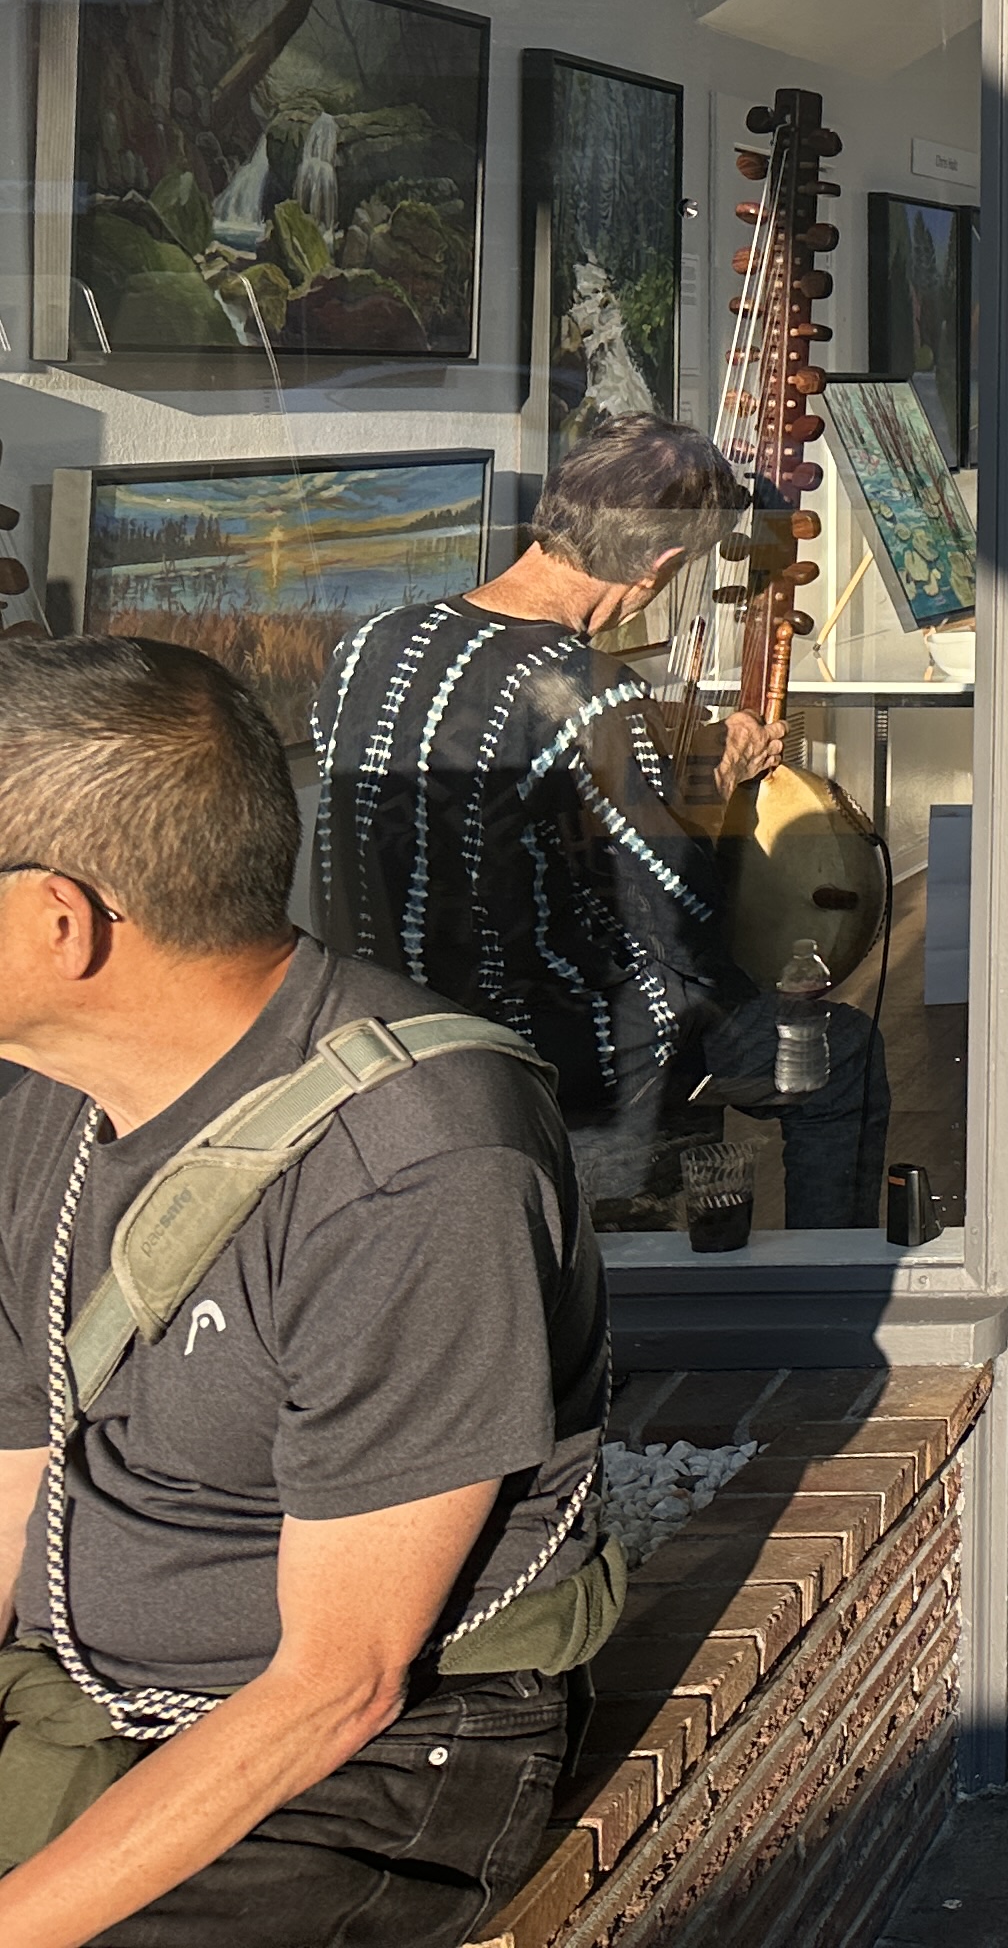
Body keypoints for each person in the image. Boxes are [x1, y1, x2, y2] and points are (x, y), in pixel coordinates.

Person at [0, 637, 612, 1947]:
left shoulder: (417, 1162)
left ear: (61, 919)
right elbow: (8, 1478)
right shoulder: (44, 1107)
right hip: (87, 1708)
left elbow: (338, 1686)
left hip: (359, 1774)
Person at [310, 418, 887, 1226]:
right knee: (838, 1050)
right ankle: (824, 1278)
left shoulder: (370, 643)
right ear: (660, 565)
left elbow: (488, 800)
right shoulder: (582, 687)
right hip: (545, 1052)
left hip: (375, 1026)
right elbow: (677, 923)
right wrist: (718, 783)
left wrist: (676, 764)